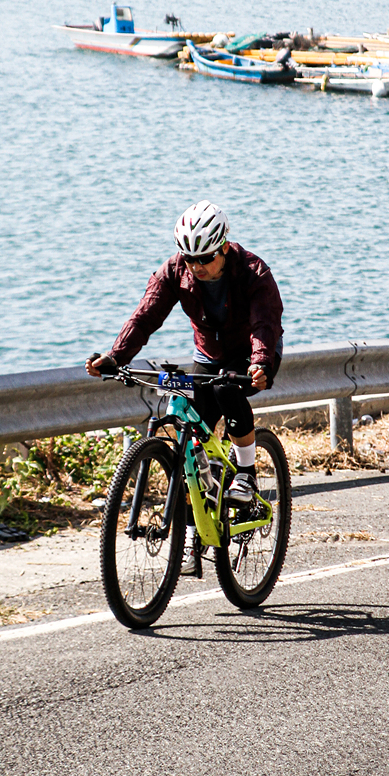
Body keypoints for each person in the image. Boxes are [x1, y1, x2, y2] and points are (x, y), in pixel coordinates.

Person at [87, 200, 284, 572]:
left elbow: (265, 322)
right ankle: (193, 537)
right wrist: (116, 357)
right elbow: (145, 316)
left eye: (205, 258)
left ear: (223, 247)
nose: (197, 266)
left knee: (226, 389)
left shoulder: (253, 271)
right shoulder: (174, 271)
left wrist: (260, 362)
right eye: (190, 259)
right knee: (191, 446)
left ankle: (246, 474)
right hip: (208, 354)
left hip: (253, 352)